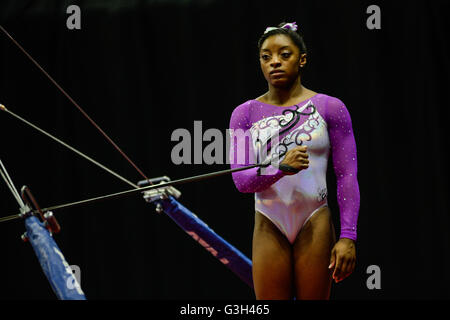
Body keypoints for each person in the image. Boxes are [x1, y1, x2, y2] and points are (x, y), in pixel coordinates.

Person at [229, 22, 360, 300]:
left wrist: (348, 236)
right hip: (268, 221)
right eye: (266, 56)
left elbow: (347, 175)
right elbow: (241, 181)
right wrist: (280, 168)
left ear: (302, 59)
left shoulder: (330, 107)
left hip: (315, 220)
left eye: (284, 54)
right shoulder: (244, 113)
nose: (274, 62)